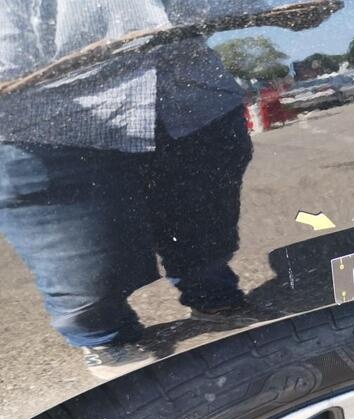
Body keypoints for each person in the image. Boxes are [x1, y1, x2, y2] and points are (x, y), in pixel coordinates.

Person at [0, 0, 268, 376]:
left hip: (190, 98)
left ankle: (216, 298)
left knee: (206, 231)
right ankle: (106, 337)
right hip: (46, 124)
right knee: (85, 268)